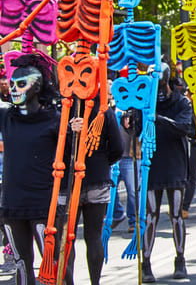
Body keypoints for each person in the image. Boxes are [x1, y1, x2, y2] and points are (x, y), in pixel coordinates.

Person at [0, 55, 60, 285]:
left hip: (44, 204)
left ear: (37, 86)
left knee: (51, 267)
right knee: (21, 266)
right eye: (12, 84)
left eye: (21, 84)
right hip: (12, 204)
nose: (14, 89)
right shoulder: (6, 116)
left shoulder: (55, 120)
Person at [137, 63, 192, 282]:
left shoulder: (181, 102)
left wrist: (157, 118)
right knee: (150, 216)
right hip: (152, 164)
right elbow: (135, 128)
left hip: (175, 164)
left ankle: (180, 260)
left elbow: (184, 126)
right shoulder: (145, 102)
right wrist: (132, 120)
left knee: (176, 214)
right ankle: (146, 263)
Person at [61, 95, 123, 285]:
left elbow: (117, 149)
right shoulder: (99, 108)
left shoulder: (63, 107)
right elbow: (117, 148)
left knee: (70, 237)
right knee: (90, 236)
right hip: (88, 179)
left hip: (80, 180)